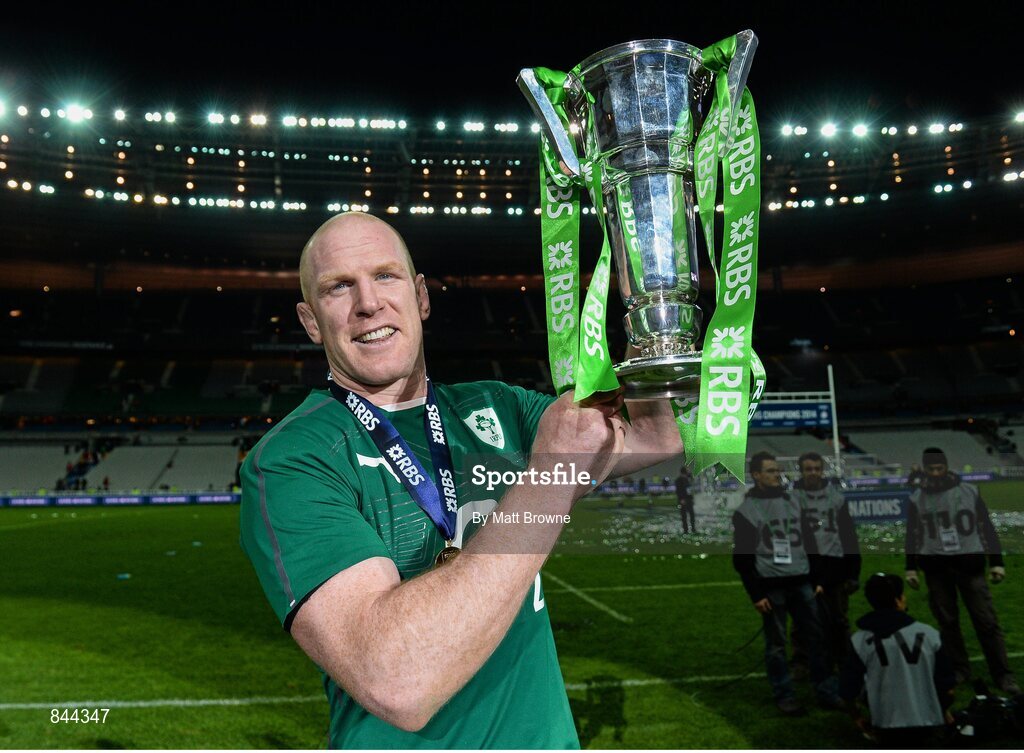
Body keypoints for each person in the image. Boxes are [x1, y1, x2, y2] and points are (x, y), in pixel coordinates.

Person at [238, 212, 683, 748]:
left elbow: (660, 438)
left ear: (421, 296)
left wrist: (657, 333)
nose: (368, 303)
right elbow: (397, 681)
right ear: (311, 322)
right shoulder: (292, 460)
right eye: (339, 287)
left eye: (385, 275)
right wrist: (548, 474)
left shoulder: (499, 405)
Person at [732, 451, 844, 715]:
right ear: (757, 475)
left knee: (817, 639)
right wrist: (756, 594)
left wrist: (816, 578)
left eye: (777, 470)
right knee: (777, 645)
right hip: (771, 586)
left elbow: (810, 541)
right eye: (770, 471)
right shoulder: (747, 511)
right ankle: (784, 694)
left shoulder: (794, 501)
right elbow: (742, 558)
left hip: (802, 581)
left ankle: (825, 690)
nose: (776, 474)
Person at [904, 447, 1019, 694]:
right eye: (931, 469)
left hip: (970, 567)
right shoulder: (917, 498)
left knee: (987, 622)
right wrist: (910, 567)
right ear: (924, 469)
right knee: (948, 623)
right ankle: (960, 669)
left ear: (946, 466)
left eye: (939, 468)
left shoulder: (969, 491)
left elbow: (987, 527)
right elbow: (912, 533)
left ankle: (1002, 674)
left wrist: (996, 561)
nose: (936, 473)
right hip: (936, 569)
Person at [839, 573, 955, 748]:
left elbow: (848, 690)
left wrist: (857, 718)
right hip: (929, 725)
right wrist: (944, 710)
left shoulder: (859, 639)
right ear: (899, 600)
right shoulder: (930, 634)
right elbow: (948, 689)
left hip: (885, 728)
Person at [790, 452, 861, 676]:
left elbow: (849, 536)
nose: (813, 473)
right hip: (803, 568)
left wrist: (853, 572)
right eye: (808, 469)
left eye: (816, 469)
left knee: (838, 619)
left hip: (834, 567)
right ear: (800, 471)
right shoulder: (790, 498)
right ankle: (801, 662)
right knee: (802, 620)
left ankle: (844, 660)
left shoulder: (836, 498)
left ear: (822, 470)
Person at [675, 465, 696, 533]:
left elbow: (689, 489)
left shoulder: (687, 479)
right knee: (684, 516)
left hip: (689, 499)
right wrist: (681, 499)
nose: (689, 471)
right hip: (684, 500)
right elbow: (679, 490)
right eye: (687, 470)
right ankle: (686, 530)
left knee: (691, 515)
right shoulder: (679, 480)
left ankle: (693, 529)